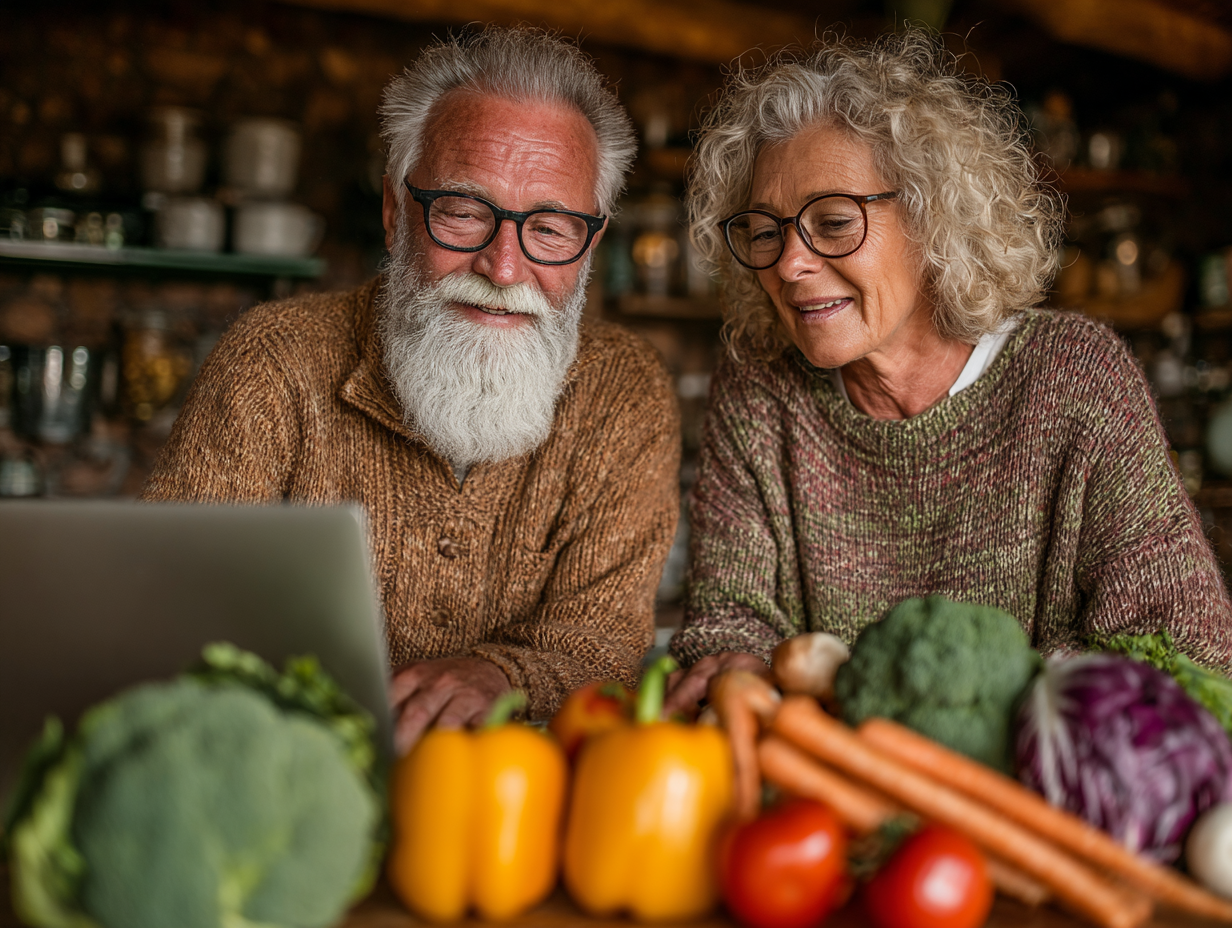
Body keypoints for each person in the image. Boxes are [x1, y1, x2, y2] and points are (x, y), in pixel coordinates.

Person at [142, 28, 680, 750]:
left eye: (550, 228)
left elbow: (600, 640)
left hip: (515, 809)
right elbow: (171, 604)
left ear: (591, 242)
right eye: (463, 211)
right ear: (397, 211)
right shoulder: (271, 360)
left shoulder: (625, 391)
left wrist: (498, 673)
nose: (504, 266)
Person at [664, 30, 1232, 714]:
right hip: (829, 801)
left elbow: (1183, 642)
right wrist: (736, 666)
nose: (789, 264)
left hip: (1043, 800)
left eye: (834, 221)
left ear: (934, 217)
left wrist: (958, 695)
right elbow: (729, 622)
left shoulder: (1075, 377)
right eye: (764, 230)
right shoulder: (759, 389)